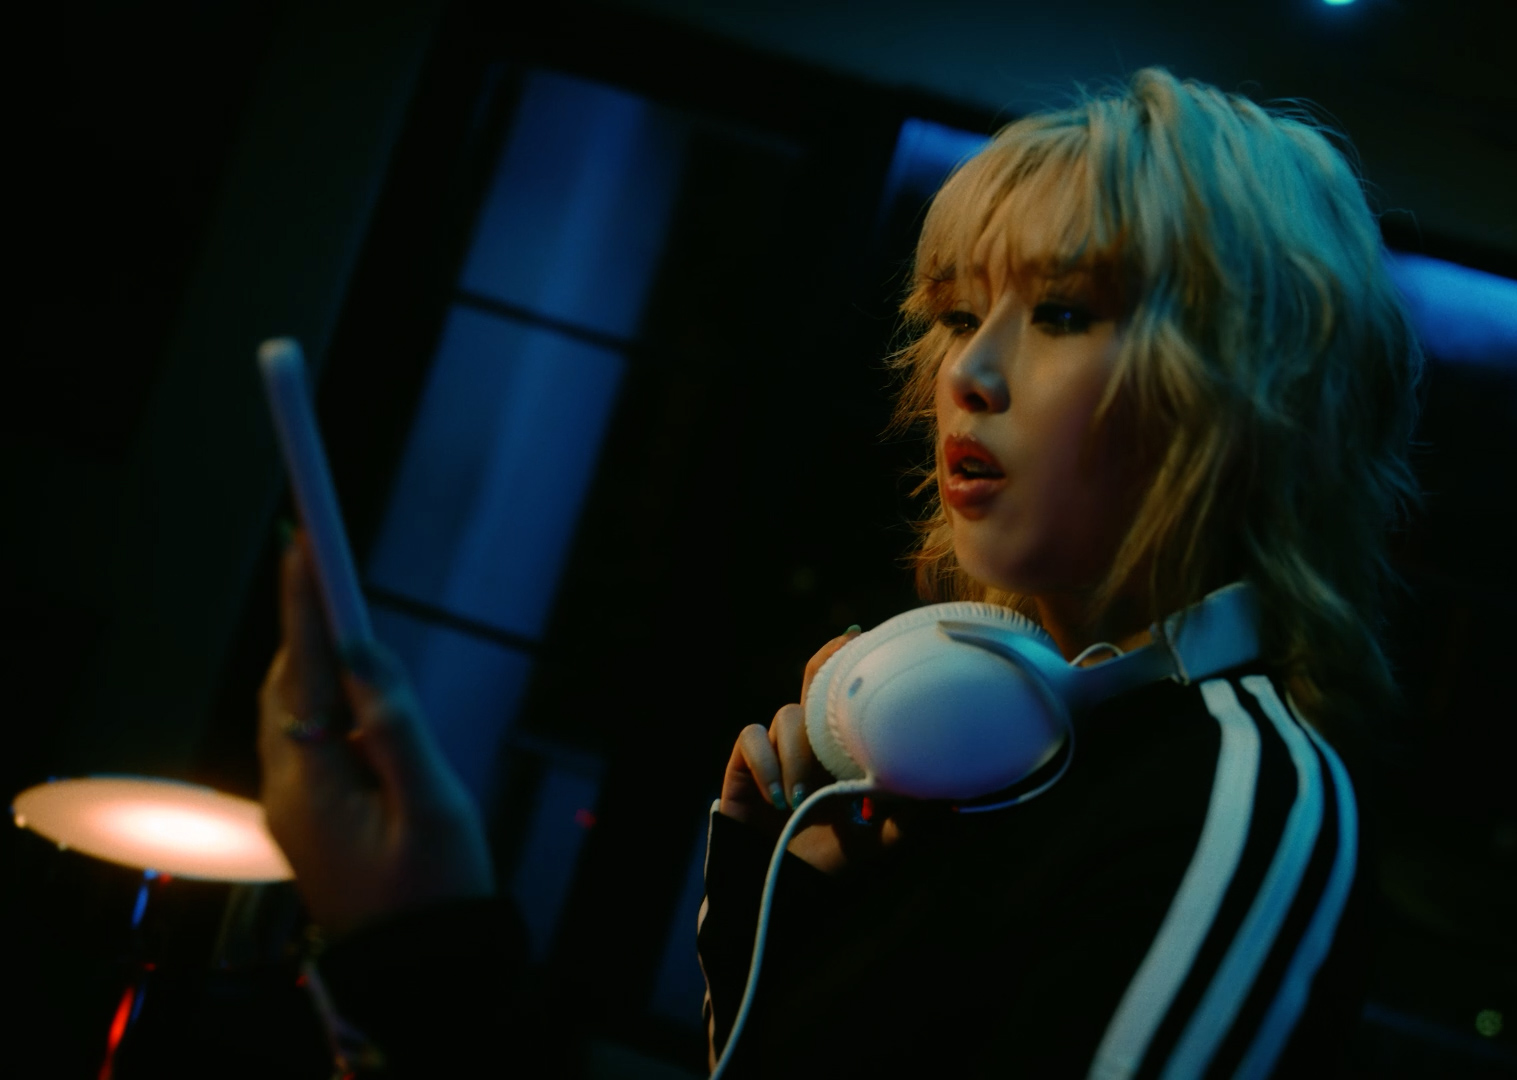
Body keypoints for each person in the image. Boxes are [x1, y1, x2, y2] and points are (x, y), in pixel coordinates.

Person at [257, 67, 1422, 1079]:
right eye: (956, 316)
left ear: (1248, 395)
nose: (970, 372)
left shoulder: (1246, 795)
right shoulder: (979, 771)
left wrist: (428, 959)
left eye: (1064, 311)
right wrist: (782, 930)